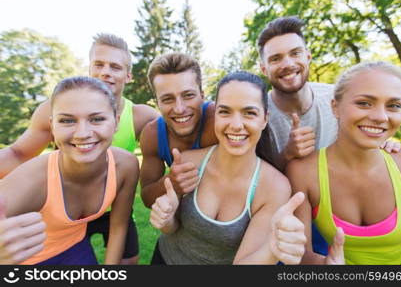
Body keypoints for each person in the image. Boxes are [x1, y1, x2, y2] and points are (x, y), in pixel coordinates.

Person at [149, 71, 344, 265]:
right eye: (225, 111)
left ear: (264, 119)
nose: (235, 125)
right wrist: (167, 220)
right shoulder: (188, 161)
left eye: (249, 113)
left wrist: (273, 249)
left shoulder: (275, 187)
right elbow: (172, 229)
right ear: (215, 115)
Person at [0, 33, 159, 264]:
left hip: (108, 203)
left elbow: (174, 127)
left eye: (115, 66)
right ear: (52, 123)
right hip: (66, 214)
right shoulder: (36, 176)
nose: (83, 132)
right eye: (67, 121)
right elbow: (18, 153)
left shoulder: (138, 121)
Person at [257, 16, 401, 255]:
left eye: (295, 53)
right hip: (291, 214)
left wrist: (382, 140)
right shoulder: (256, 113)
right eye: (276, 58)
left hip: (345, 212)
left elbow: (374, 123)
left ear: (308, 57)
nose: (287, 63)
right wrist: (287, 155)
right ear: (264, 69)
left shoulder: (339, 99)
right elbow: (255, 182)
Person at [287, 61, 401, 264]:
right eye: (364, 103)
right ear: (335, 108)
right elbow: (300, 253)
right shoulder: (303, 172)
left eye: (393, 106)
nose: (380, 117)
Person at [140, 53, 217, 209]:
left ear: (202, 95)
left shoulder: (219, 121)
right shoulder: (152, 134)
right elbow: (147, 198)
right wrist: (171, 182)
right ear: (157, 103)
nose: (180, 108)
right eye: (168, 99)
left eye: (188, 95)